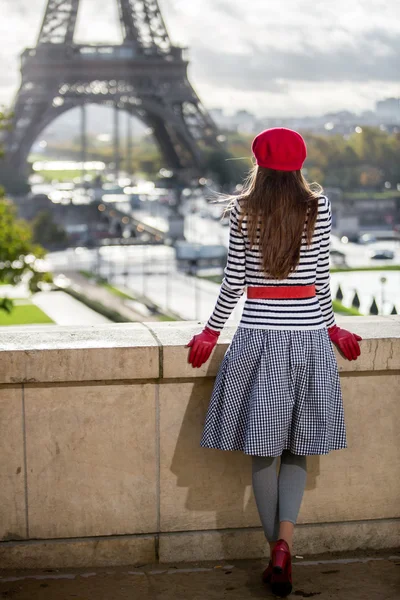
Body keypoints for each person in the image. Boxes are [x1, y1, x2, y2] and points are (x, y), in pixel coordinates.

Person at [186, 128, 362, 597]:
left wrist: (210, 331)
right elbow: (319, 279)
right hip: (308, 343)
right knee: (296, 449)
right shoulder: (318, 208)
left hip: (258, 341)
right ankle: (286, 544)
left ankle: (273, 555)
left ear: (258, 163)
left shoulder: (243, 209)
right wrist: (332, 328)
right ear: (301, 163)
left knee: (263, 452)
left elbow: (234, 282)